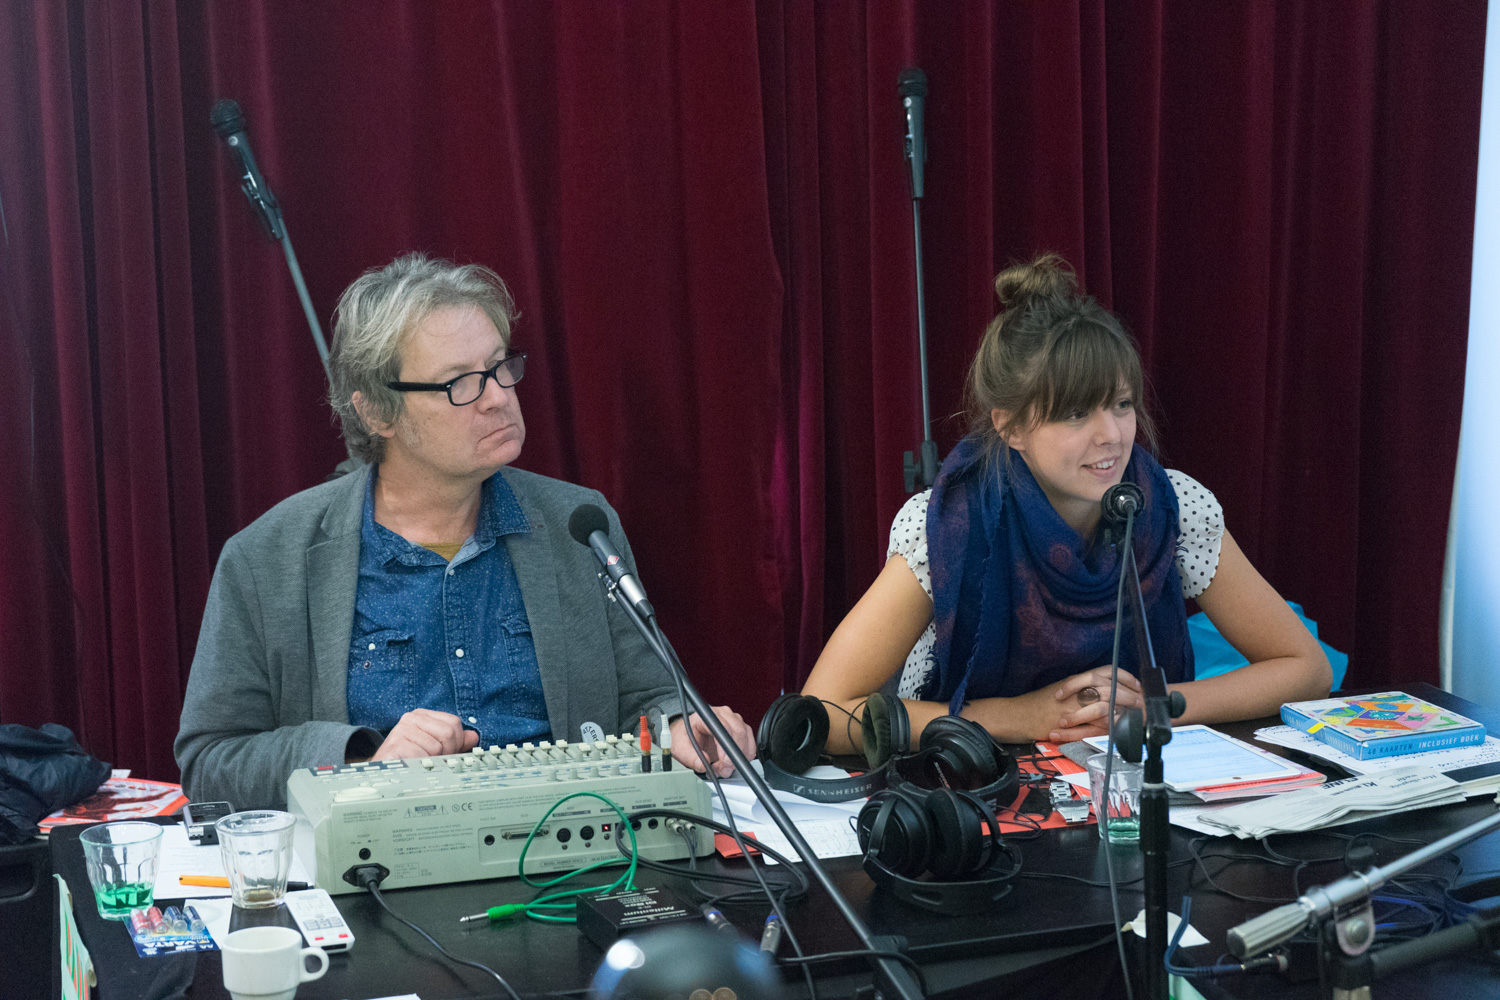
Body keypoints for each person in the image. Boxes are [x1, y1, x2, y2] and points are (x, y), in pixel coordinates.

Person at [175, 253, 755, 809]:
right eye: (460, 383)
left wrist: (681, 723)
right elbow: (211, 762)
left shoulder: (580, 525)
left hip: (572, 857)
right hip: (380, 874)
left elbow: (642, 701)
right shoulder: (267, 559)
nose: (500, 397)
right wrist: (360, 757)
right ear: (378, 413)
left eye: (502, 367)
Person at [802, 254, 1331, 752]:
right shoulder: (949, 525)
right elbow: (820, 712)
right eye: (1077, 413)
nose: (1112, 435)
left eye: (1122, 405)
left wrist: (1156, 708)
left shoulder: (1171, 505)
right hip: (975, 779)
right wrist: (1021, 717)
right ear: (1010, 427)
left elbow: (1305, 667)